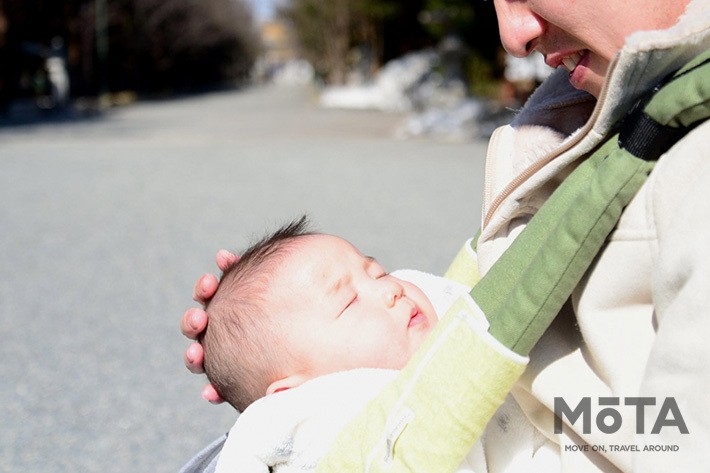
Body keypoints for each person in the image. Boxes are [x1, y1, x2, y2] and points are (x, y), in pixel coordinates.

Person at [182, 0, 710, 471]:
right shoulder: (600, 110)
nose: (513, 34)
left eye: (376, 271)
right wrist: (257, 351)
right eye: (346, 301)